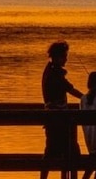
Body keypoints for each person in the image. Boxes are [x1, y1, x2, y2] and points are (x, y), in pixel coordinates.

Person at [41, 41, 84, 179]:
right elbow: (70, 90)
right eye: (64, 56)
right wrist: (86, 98)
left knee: (53, 152)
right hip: (57, 121)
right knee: (67, 151)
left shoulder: (49, 71)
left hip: (53, 119)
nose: (66, 59)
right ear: (57, 56)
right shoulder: (55, 75)